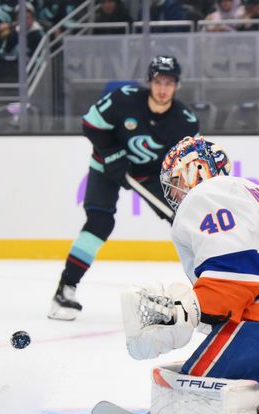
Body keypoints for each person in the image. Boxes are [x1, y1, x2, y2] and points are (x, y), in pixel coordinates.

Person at [120, 135, 259, 414]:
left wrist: (178, 311)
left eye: (176, 181)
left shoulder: (207, 195)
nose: (174, 193)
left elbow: (236, 277)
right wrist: (196, 311)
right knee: (215, 371)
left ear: (196, 170)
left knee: (186, 399)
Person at [48, 55, 200, 320]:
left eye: (169, 82)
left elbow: (184, 163)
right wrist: (110, 152)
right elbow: (91, 125)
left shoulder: (185, 122)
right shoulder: (123, 99)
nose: (163, 88)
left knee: (184, 221)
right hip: (106, 166)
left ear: (177, 85)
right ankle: (66, 288)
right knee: (99, 223)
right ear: (149, 82)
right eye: (158, 81)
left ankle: (209, 291)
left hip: (153, 175)